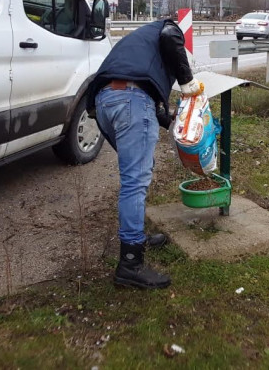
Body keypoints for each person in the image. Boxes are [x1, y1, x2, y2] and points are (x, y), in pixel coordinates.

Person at [87, 18, 203, 289]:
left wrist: (170, 121)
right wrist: (187, 82)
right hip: (131, 100)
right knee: (135, 183)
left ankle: (135, 235)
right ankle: (130, 263)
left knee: (139, 169)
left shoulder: (138, 42)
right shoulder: (167, 28)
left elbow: (145, 89)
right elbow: (170, 36)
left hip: (104, 102)